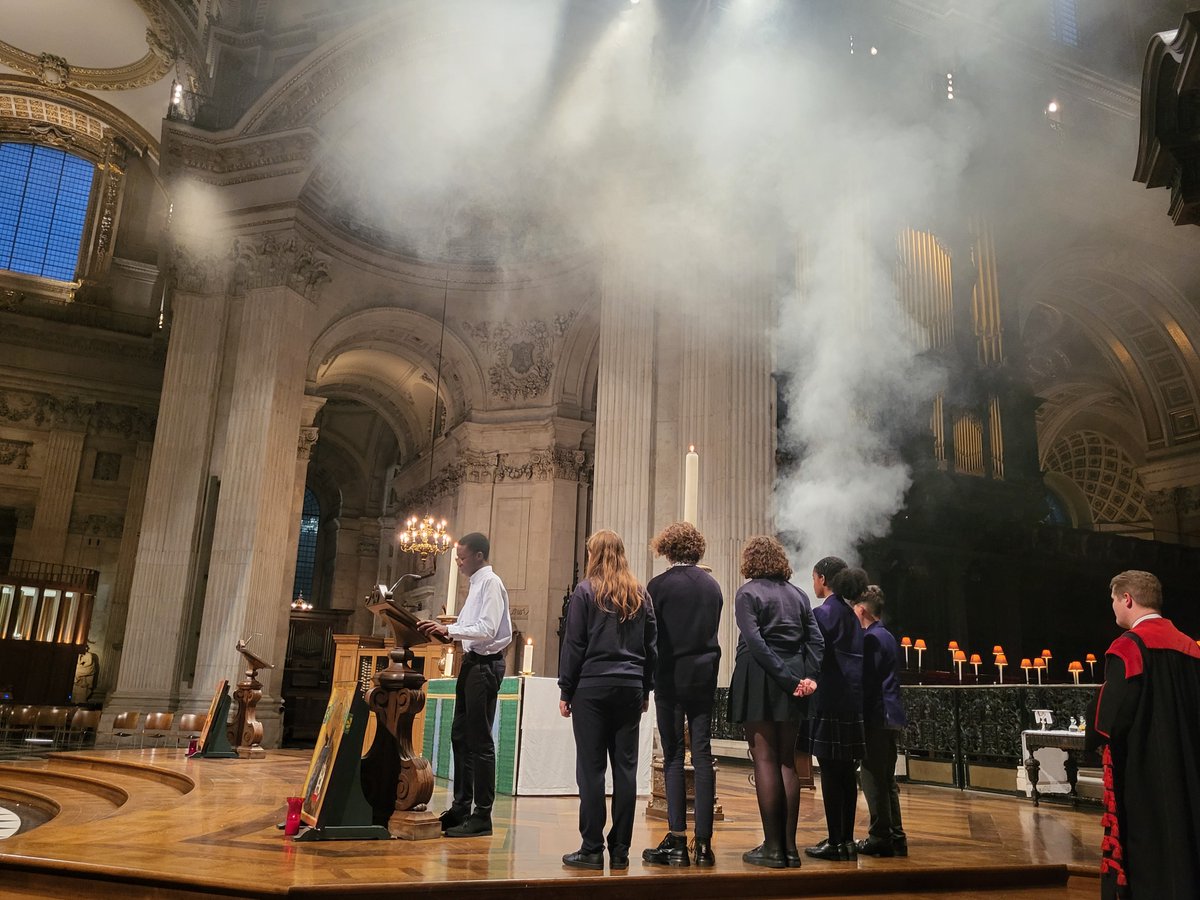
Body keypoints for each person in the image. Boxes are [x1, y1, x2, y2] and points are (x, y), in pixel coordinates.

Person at [1084, 570, 1200, 900]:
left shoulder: (1129, 647)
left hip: (1144, 772)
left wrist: (1090, 740)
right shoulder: (1191, 648)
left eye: (1113, 601)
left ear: (1127, 599)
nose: (1113, 608)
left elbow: (1110, 719)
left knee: (1149, 849)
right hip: (1190, 766)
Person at [558, 529, 657, 871]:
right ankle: (621, 849)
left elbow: (574, 645)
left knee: (591, 769)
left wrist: (565, 689)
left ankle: (591, 848)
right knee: (626, 770)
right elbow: (651, 645)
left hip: (593, 688)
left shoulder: (586, 591)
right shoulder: (639, 592)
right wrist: (646, 688)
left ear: (594, 554)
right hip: (629, 687)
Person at [728, 535, 824, 869]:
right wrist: (808, 676)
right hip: (796, 677)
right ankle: (789, 849)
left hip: (762, 676)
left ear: (750, 562)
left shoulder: (748, 593)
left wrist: (785, 678)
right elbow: (815, 639)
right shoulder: (798, 594)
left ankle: (772, 849)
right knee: (787, 761)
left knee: (764, 759)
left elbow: (754, 642)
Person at [418, 531, 512, 838]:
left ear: (479, 556)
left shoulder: (490, 583)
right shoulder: (476, 584)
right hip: (472, 664)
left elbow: (486, 628)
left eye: (462, 557)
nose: (458, 562)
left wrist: (451, 630)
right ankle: (461, 807)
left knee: (480, 741)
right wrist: (449, 631)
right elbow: (472, 626)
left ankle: (482, 815)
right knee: (460, 735)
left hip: (485, 665)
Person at [642, 522, 724, 868]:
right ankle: (703, 845)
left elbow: (650, 639)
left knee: (674, 756)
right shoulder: (712, 586)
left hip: (670, 678)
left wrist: (647, 680)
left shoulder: (657, 586)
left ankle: (676, 841)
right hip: (704, 677)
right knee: (703, 755)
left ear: (667, 549)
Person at [804, 559, 866, 862]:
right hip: (852, 700)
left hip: (829, 697)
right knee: (846, 773)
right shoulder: (851, 615)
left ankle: (835, 841)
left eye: (814, 578)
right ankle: (846, 842)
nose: (813, 583)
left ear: (823, 578)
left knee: (829, 771)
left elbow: (813, 655)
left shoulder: (822, 614)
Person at [852, 584, 907, 858]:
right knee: (887, 779)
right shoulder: (887, 634)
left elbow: (867, 680)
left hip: (877, 714)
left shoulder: (872, 638)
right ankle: (896, 836)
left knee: (871, 776)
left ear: (861, 610)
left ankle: (879, 837)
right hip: (891, 713)